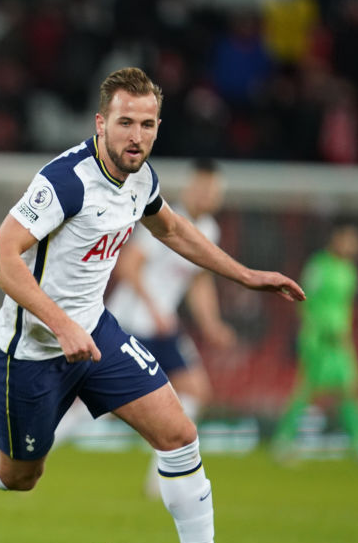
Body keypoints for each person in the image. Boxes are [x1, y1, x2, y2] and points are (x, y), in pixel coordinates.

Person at [0, 67, 304, 543]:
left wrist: (247, 275)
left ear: (158, 127)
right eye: (124, 122)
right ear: (101, 123)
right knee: (19, 474)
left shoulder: (142, 178)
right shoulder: (66, 180)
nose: (135, 136)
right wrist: (61, 322)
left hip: (96, 336)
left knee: (179, 433)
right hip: (29, 349)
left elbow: (172, 228)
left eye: (146, 124)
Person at [61, 158, 237, 495]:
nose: (207, 194)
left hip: (162, 327)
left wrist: (212, 324)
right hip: (132, 322)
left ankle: (162, 479)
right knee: (100, 407)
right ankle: (33, 454)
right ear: (191, 188)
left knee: (195, 391)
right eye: (202, 187)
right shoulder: (166, 221)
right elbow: (129, 266)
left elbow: (198, 282)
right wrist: (155, 309)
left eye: (213, 190)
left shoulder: (209, 230)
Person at [273, 222, 358, 459]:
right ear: (336, 239)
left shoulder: (349, 270)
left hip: (340, 341)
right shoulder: (318, 266)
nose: (352, 245)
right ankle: (284, 440)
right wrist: (321, 328)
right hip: (317, 339)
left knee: (348, 390)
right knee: (307, 389)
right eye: (348, 239)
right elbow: (304, 301)